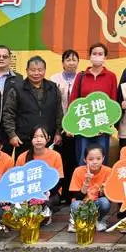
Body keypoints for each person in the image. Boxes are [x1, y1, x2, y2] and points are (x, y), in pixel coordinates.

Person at [2, 56, 62, 159]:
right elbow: (8, 113)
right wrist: (12, 135)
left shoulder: (53, 88)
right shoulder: (17, 89)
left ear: (45, 70)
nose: (36, 73)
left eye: (40, 70)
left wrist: (58, 132)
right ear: (27, 70)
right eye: (33, 70)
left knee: (47, 167)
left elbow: (59, 112)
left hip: (48, 139)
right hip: (24, 140)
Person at [70, 43, 118, 165]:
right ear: (89, 56)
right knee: (83, 159)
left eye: (100, 54)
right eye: (94, 54)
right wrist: (71, 124)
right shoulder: (81, 76)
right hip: (83, 125)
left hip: (102, 126)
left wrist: (106, 124)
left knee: (100, 161)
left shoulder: (111, 76)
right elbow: (73, 100)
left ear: (105, 57)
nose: (97, 56)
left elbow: (113, 102)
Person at [50, 49, 79, 203]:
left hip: (77, 127)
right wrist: (58, 130)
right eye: (68, 59)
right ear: (62, 63)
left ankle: (71, 194)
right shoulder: (54, 79)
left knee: (74, 160)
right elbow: (53, 105)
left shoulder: (81, 78)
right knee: (60, 160)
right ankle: (58, 194)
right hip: (59, 126)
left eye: (74, 60)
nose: (71, 63)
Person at [15, 127, 65, 207]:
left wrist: (44, 194)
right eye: (35, 137)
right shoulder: (22, 157)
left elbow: (58, 180)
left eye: (42, 136)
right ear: (31, 139)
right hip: (28, 193)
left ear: (48, 138)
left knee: (45, 203)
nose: (38, 140)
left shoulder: (56, 155)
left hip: (51, 192)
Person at [69, 144, 113, 231]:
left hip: (97, 203)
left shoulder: (108, 171)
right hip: (82, 202)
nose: (95, 162)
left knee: (105, 203)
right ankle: (77, 221)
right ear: (85, 160)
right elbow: (76, 197)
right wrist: (86, 183)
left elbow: (110, 198)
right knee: (75, 205)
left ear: (103, 158)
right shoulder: (78, 171)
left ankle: (99, 220)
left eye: (98, 159)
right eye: (91, 159)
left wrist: (103, 190)